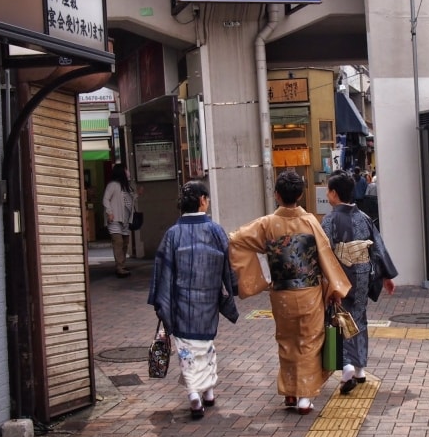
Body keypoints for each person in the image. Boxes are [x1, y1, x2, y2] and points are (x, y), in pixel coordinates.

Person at [229, 170, 351, 415]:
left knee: (286, 341)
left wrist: (259, 279)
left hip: (281, 292)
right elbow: (324, 254)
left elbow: (236, 239)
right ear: (301, 195)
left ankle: (290, 392)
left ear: (277, 195)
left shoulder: (267, 224)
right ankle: (304, 397)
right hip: (309, 291)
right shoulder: (309, 222)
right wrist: (336, 286)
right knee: (309, 341)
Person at [147, 181, 239, 420]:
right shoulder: (215, 230)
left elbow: (162, 270)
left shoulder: (173, 234)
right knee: (206, 346)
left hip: (180, 303)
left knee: (187, 351)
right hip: (207, 302)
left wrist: (162, 302)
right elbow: (230, 267)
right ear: (203, 201)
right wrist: (234, 289)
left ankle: (196, 394)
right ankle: (204, 392)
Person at [321, 169, 397, 395]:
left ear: (334, 194)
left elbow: (324, 252)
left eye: (328, 190)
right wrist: (386, 276)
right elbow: (378, 247)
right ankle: (360, 369)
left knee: (336, 319)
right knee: (359, 318)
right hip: (363, 275)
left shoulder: (329, 220)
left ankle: (344, 366)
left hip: (340, 277)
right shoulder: (363, 218)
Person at [103, 163, 137, 278]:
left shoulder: (126, 186)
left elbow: (129, 199)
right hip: (115, 218)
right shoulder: (113, 185)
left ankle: (121, 264)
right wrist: (109, 212)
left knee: (125, 243)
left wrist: (138, 194)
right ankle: (120, 268)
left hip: (125, 220)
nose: (128, 171)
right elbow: (106, 199)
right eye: (126, 169)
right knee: (118, 242)